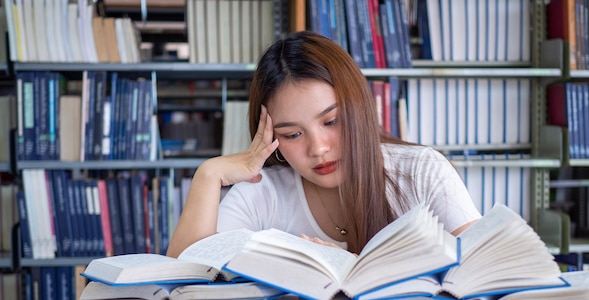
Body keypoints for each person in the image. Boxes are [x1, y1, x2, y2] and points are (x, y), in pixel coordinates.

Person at [166, 31, 481, 258]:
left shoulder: (421, 171)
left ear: (360, 109)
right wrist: (209, 174)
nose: (317, 148)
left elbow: (486, 274)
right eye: (292, 134)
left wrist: (357, 270)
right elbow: (185, 278)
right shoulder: (263, 191)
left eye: (331, 122)